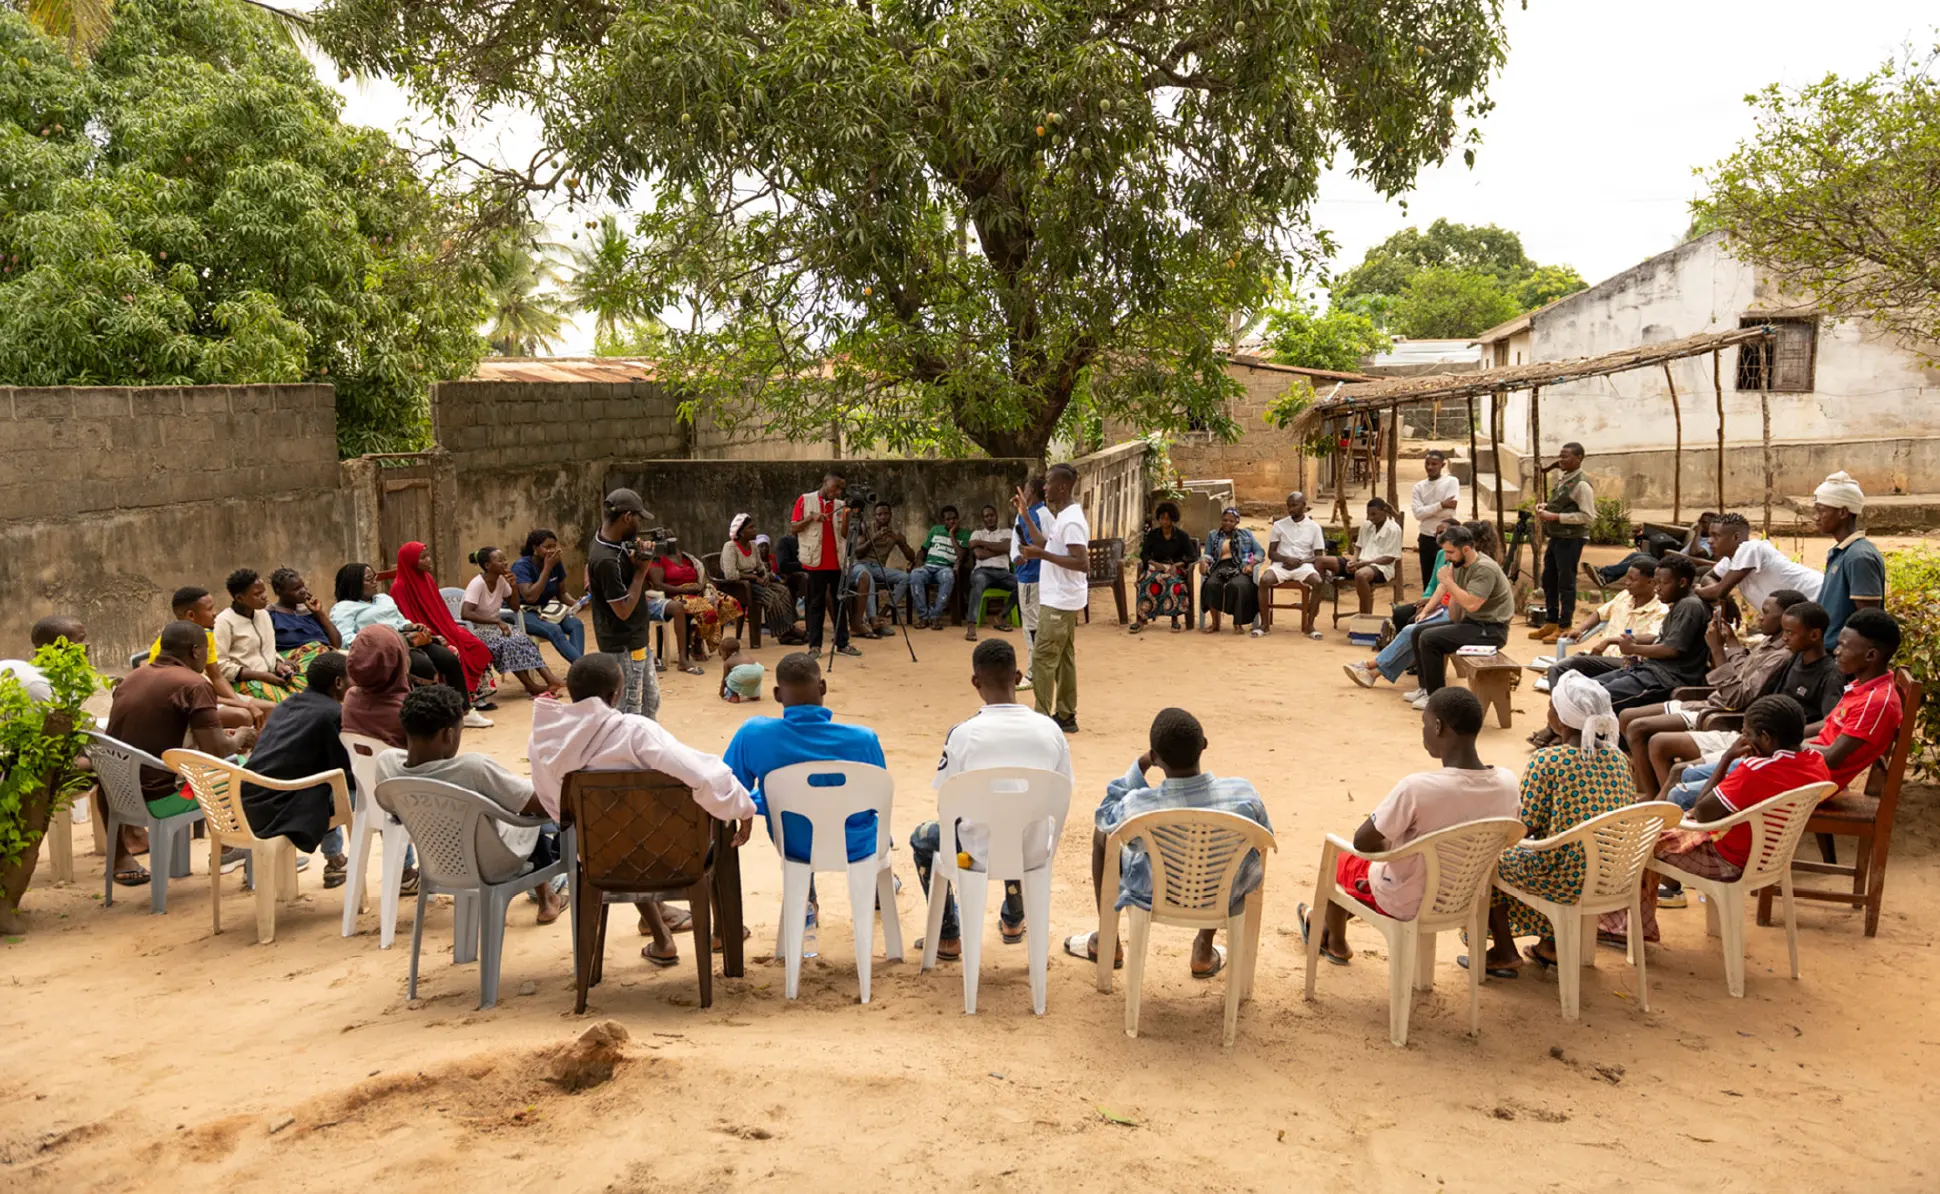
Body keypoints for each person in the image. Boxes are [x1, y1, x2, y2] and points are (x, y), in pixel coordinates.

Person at [529, 654, 757, 966]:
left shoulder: (544, 741)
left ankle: (661, 937)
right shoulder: (634, 731)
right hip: (676, 858)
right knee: (716, 821)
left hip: (602, 861)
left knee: (614, 832)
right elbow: (704, 776)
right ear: (616, 695)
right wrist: (743, 808)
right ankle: (721, 933)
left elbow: (556, 808)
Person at [1300, 687, 1518, 965]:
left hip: (1407, 901)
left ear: (1438, 727)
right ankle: (1327, 928)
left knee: (1343, 860)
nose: (1423, 730)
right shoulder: (1508, 783)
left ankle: (1336, 942)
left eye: (1424, 723)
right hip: (1465, 898)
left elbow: (1362, 841)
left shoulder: (1418, 788)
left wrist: (1395, 843)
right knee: (1377, 869)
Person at [1600, 694, 1831, 946]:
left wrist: (1727, 758)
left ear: (1766, 738)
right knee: (1659, 829)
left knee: (1640, 840)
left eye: (1746, 734)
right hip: (1771, 859)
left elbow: (1702, 812)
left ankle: (1620, 929)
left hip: (1726, 860)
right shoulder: (1817, 763)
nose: (1742, 740)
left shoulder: (1755, 771)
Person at [1064, 707, 1270, 977]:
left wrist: (1140, 766)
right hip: (1220, 894)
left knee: (1102, 836)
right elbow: (1263, 839)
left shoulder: (1141, 805)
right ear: (1204, 745)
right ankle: (1204, 948)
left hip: (1159, 892)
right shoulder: (1243, 794)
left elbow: (1105, 815)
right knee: (1230, 857)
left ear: (1156, 759)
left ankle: (1108, 940)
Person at [911, 639, 1072, 960]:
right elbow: (1063, 791)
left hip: (971, 858)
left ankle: (948, 936)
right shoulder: (1051, 730)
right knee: (1017, 820)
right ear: (1018, 677)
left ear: (975, 681)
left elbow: (947, 805)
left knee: (923, 838)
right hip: (1032, 854)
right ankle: (1014, 920)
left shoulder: (962, 734)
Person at [1470, 672, 1636, 976]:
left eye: (1551, 706)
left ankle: (1504, 952)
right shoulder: (1619, 759)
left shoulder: (1548, 760)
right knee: (1562, 845)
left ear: (1560, 718)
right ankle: (1551, 944)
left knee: (1487, 860)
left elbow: (1523, 828)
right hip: (1615, 874)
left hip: (1566, 880)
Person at [723, 653, 888, 946]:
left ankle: (807, 899)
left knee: (801, 816)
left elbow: (729, 788)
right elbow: (877, 799)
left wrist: (755, 806)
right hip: (856, 845)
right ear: (822, 687)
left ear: (777, 694)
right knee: (871, 827)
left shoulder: (753, 734)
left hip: (795, 846)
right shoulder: (863, 739)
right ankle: (877, 885)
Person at [374, 685, 563, 924]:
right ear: (448, 735)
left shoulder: (386, 765)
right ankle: (547, 897)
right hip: (491, 864)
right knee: (534, 820)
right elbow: (541, 804)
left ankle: (547, 894)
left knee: (505, 808)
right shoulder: (473, 769)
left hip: (436, 862)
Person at [105, 621, 258, 887]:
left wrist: (222, 737)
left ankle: (230, 849)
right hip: (165, 798)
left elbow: (161, 732)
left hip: (119, 796)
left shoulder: (133, 678)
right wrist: (241, 737)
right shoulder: (194, 684)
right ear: (196, 651)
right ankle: (245, 853)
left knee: (224, 762)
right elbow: (216, 751)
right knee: (247, 772)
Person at [1619, 592, 1822, 793]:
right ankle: (1650, 792)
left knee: (1640, 729)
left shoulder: (1782, 656)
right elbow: (1741, 671)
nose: (1761, 617)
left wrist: (1717, 650)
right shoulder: (1768, 642)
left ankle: (1658, 797)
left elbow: (1737, 698)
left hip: (1720, 710)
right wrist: (1731, 644)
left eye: (1766, 612)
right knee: (1627, 716)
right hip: (1710, 702)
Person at [239, 651, 356, 888]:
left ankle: (335, 859)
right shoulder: (332, 714)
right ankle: (401, 871)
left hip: (251, 799)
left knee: (325, 781)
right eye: (351, 678)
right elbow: (344, 770)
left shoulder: (288, 704)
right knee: (360, 791)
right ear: (338, 682)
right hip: (281, 806)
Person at [328, 562, 485, 727]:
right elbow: (346, 639)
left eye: (375, 577)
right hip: (383, 650)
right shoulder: (343, 608)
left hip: (408, 640)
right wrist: (382, 640)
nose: (375, 581)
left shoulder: (384, 599)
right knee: (423, 667)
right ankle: (429, 719)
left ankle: (464, 711)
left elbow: (401, 621)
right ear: (354, 583)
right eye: (369, 579)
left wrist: (412, 626)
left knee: (448, 659)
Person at [1342, 520, 1463, 692]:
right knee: (1401, 615)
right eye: (1437, 532)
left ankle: (1370, 666)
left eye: (1443, 533)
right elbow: (1434, 585)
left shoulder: (1464, 564)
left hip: (1449, 610)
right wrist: (1426, 602)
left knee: (1413, 629)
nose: (1438, 536)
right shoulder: (1443, 556)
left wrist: (1431, 606)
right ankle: (1376, 671)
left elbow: (1455, 596)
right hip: (1439, 605)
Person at [1014, 462, 1090, 733]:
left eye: (1048, 483)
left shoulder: (1071, 521)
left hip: (1059, 602)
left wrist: (1042, 555)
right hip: (1062, 600)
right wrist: (1025, 516)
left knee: (1043, 659)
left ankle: (1042, 720)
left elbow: (1082, 563)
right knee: (1064, 660)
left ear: (1063, 487)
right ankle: (1066, 715)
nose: (1044, 487)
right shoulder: (1064, 516)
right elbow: (1046, 545)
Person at [1589, 556, 1710, 712]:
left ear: (1682, 582)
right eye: (1656, 582)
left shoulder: (1689, 606)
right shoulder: (1681, 603)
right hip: (1648, 670)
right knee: (1584, 689)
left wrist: (1634, 649)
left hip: (1664, 679)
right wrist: (1632, 640)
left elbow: (1672, 649)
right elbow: (1661, 639)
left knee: (1590, 698)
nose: (1657, 588)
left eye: (1662, 583)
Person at [1412, 525, 1515, 709]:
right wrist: (1426, 611)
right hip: (1472, 623)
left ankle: (1437, 699)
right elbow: (1443, 586)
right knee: (1418, 631)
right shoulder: (1458, 563)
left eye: (1450, 552)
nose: (1446, 557)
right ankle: (1425, 689)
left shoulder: (1484, 569)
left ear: (1466, 549)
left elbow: (1472, 604)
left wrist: (1449, 582)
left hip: (1491, 630)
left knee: (1429, 639)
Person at [585, 487, 663, 719]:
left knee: (650, 703)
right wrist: (641, 571)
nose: (640, 524)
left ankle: (647, 742)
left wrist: (634, 562)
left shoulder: (606, 540)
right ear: (627, 517)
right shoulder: (607, 560)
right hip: (623, 645)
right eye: (639, 518)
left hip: (636, 639)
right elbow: (623, 610)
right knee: (630, 710)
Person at [390, 541, 497, 709]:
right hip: (425, 634)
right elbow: (408, 620)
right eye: (422, 557)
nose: (428, 560)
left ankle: (477, 697)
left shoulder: (427, 579)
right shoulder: (399, 588)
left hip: (445, 627)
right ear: (410, 561)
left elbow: (440, 611)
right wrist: (433, 636)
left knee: (476, 645)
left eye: (428, 556)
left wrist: (450, 630)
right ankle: (457, 701)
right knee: (454, 650)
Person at [149, 586, 272, 730]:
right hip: (185, 704)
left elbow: (216, 677)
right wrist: (242, 706)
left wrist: (239, 702)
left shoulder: (206, 635)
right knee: (242, 716)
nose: (215, 614)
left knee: (271, 709)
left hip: (204, 696)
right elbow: (192, 694)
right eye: (210, 609)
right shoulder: (172, 644)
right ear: (191, 615)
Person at [461, 547, 566, 697]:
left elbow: (515, 607)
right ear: (488, 565)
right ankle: (531, 686)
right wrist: (496, 621)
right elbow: (466, 613)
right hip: (476, 630)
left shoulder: (501, 580)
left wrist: (513, 586)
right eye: (500, 560)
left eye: (504, 559)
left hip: (496, 627)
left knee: (522, 639)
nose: (505, 563)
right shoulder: (477, 584)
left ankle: (550, 680)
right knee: (508, 643)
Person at [646, 534, 744, 671]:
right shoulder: (657, 559)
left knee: (729, 603)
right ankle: (696, 643)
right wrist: (685, 589)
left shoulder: (684, 556)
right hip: (676, 595)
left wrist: (701, 587)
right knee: (707, 610)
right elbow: (658, 585)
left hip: (696, 590)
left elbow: (700, 574)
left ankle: (702, 637)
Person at [1529, 441, 1595, 643]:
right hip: (1557, 536)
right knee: (1549, 579)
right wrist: (1547, 507)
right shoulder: (1565, 478)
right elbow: (1565, 504)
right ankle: (1551, 621)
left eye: (1565, 456)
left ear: (1578, 458)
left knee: (1566, 582)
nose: (1561, 460)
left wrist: (1555, 517)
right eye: (1560, 455)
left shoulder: (1582, 484)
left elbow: (1588, 516)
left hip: (1571, 539)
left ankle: (1565, 625)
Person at [212, 568, 307, 704]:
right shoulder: (224, 622)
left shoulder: (263, 615)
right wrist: (262, 676)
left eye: (264, 591)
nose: (264, 596)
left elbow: (269, 650)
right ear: (239, 598)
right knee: (290, 705)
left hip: (272, 676)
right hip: (245, 682)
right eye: (257, 594)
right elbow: (220, 666)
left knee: (312, 695)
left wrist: (279, 664)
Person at [1812, 471, 1886, 642]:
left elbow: (1868, 622)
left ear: (1843, 513)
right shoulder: (1840, 552)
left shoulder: (1859, 557)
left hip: (1842, 653)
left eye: (1821, 511)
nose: (1816, 517)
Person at [790, 471, 859, 656]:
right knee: (815, 605)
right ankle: (815, 646)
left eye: (841, 489)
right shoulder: (805, 500)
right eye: (835, 487)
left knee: (840, 603)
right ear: (825, 482)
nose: (838, 492)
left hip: (837, 562)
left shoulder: (841, 505)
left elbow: (844, 534)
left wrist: (848, 516)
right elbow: (793, 528)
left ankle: (842, 643)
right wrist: (810, 518)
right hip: (815, 562)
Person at [1695, 512, 1823, 608]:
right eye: (1709, 536)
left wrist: (1697, 590)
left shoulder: (1751, 548)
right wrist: (1725, 596)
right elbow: (1708, 578)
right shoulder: (1730, 560)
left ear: (1736, 537)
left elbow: (1718, 591)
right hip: (1808, 607)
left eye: (1716, 536)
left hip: (1821, 594)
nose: (1710, 541)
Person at [722, 513, 805, 645]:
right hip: (740, 585)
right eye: (751, 528)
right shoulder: (730, 547)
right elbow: (730, 574)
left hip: (755, 581)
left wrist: (765, 576)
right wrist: (753, 577)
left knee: (783, 591)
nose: (755, 530)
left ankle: (788, 628)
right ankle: (784, 634)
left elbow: (760, 566)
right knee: (771, 597)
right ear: (741, 532)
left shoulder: (753, 546)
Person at [1257, 491, 1327, 639]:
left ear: (1304, 505)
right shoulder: (1279, 525)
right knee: (1264, 580)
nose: (1291, 509)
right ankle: (1264, 625)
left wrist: (1300, 562)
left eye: (1294, 505)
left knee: (1318, 582)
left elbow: (1318, 556)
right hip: (1281, 565)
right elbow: (1271, 553)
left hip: (1303, 566)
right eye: (1289, 506)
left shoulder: (1314, 527)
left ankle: (1310, 626)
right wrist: (1286, 559)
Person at [510, 529, 587, 664]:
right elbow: (530, 597)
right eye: (547, 547)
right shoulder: (522, 566)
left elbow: (562, 594)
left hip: (546, 609)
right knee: (554, 629)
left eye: (554, 546)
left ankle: (578, 668)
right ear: (535, 548)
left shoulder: (555, 563)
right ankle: (583, 667)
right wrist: (547, 568)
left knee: (576, 624)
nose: (552, 551)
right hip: (523, 611)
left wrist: (576, 603)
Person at [1319, 498, 1404, 617]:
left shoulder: (1394, 529)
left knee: (1361, 575)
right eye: (1368, 514)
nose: (1370, 518)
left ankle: (1364, 617)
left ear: (1384, 511)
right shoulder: (1367, 525)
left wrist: (1363, 564)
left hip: (1381, 568)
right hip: (1361, 563)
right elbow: (1358, 547)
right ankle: (1316, 604)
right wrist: (1352, 562)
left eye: (1374, 514)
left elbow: (1389, 558)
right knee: (1321, 561)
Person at [848, 502, 916, 634]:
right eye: (879, 514)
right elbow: (857, 553)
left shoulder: (895, 534)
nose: (883, 517)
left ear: (891, 515)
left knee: (905, 577)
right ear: (875, 516)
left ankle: (882, 614)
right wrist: (874, 538)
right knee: (868, 579)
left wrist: (900, 542)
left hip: (878, 568)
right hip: (860, 565)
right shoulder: (866, 528)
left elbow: (911, 557)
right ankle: (873, 620)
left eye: (886, 514)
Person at [1012, 476, 1053, 687]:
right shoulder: (1023, 515)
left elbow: (1050, 545)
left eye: (1026, 489)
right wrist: (1016, 557)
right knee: (1033, 621)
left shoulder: (1043, 516)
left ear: (1032, 492)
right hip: (1025, 573)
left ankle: (1033, 670)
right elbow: (1015, 542)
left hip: (1033, 576)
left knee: (1031, 623)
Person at [1131, 500, 1196, 634]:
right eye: (1162, 518)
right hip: (1157, 568)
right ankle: (1141, 619)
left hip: (1175, 569)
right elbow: (1144, 554)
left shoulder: (1182, 536)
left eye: (1168, 518)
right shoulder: (1153, 535)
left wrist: (1177, 565)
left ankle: (1174, 619)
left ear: (1173, 519)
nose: (1165, 521)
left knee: (1172, 583)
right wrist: (1155, 564)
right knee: (1146, 583)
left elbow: (1192, 556)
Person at [1199, 507, 1262, 635]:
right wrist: (1203, 561)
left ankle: (1237, 624)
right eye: (1225, 520)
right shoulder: (1213, 535)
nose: (1227, 523)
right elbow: (1208, 554)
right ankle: (1215, 623)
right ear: (1221, 520)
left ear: (1237, 522)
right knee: (1211, 585)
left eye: (1231, 521)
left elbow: (1259, 552)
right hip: (1219, 566)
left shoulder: (1246, 535)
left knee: (1237, 586)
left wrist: (1251, 565)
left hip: (1239, 566)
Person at [0, 614, 87, 703]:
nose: (86, 645)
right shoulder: (40, 685)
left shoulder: (11, 665)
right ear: (58, 647)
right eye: (81, 640)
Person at [909, 505, 969, 630]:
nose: (952, 521)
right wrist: (918, 561)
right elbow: (923, 550)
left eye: (954, 518)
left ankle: (936, 617)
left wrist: (951, 534)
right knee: (915, 575)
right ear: (943, 521)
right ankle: (923, 617)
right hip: (928, 566)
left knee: (948, 577)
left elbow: (961, 556)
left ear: (958, 519)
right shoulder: (935, 530)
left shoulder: (965, 534)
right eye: (948, 519)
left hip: (945, 568)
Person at [964, 504, 1018, 641]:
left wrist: (982, 543)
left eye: (992, 515)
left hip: (1003, 573)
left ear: (996, 516)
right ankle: (971, 625)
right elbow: (980, 555)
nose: (990, 518)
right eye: (986, 516)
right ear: (983, 519)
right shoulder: (976, 534)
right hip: (983, 571)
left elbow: (1008, 547)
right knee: (978, 582)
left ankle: (1001, 616)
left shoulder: (1007, 532)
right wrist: (1000, 549)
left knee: (1022, 584)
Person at [1409, 450, 1461, 586]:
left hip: (1447, 538)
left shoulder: (1451, 482)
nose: (1430, 467)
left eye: (1434, 464)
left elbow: (1449, 509)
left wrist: (1427, 510)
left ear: (1442, 465)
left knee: (1446, 579)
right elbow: (1417, 514)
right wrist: (1441, 504)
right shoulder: (1419, 487)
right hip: (1426, 537)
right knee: (1428, 580)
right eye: (1427, 463)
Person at [267, 568, 341, 659]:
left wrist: (319, 613)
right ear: (279, 591)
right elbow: (266, 649)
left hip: (324, 656)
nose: (303, 591)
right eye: (296, 589)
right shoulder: (270, 615)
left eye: (303, 586)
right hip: (297, 661)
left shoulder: (310, 612)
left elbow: (337, 644)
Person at [719, 638, 765, 702]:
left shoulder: (728, 662)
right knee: (752, 680)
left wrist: (721, 692)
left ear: (726, 653)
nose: (721, 656)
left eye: (721, 654)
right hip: (758, 671)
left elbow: (724, 681)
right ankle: (754, 696)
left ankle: (734, 696)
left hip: (743, 672)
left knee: (728, 678)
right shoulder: (744, 656)